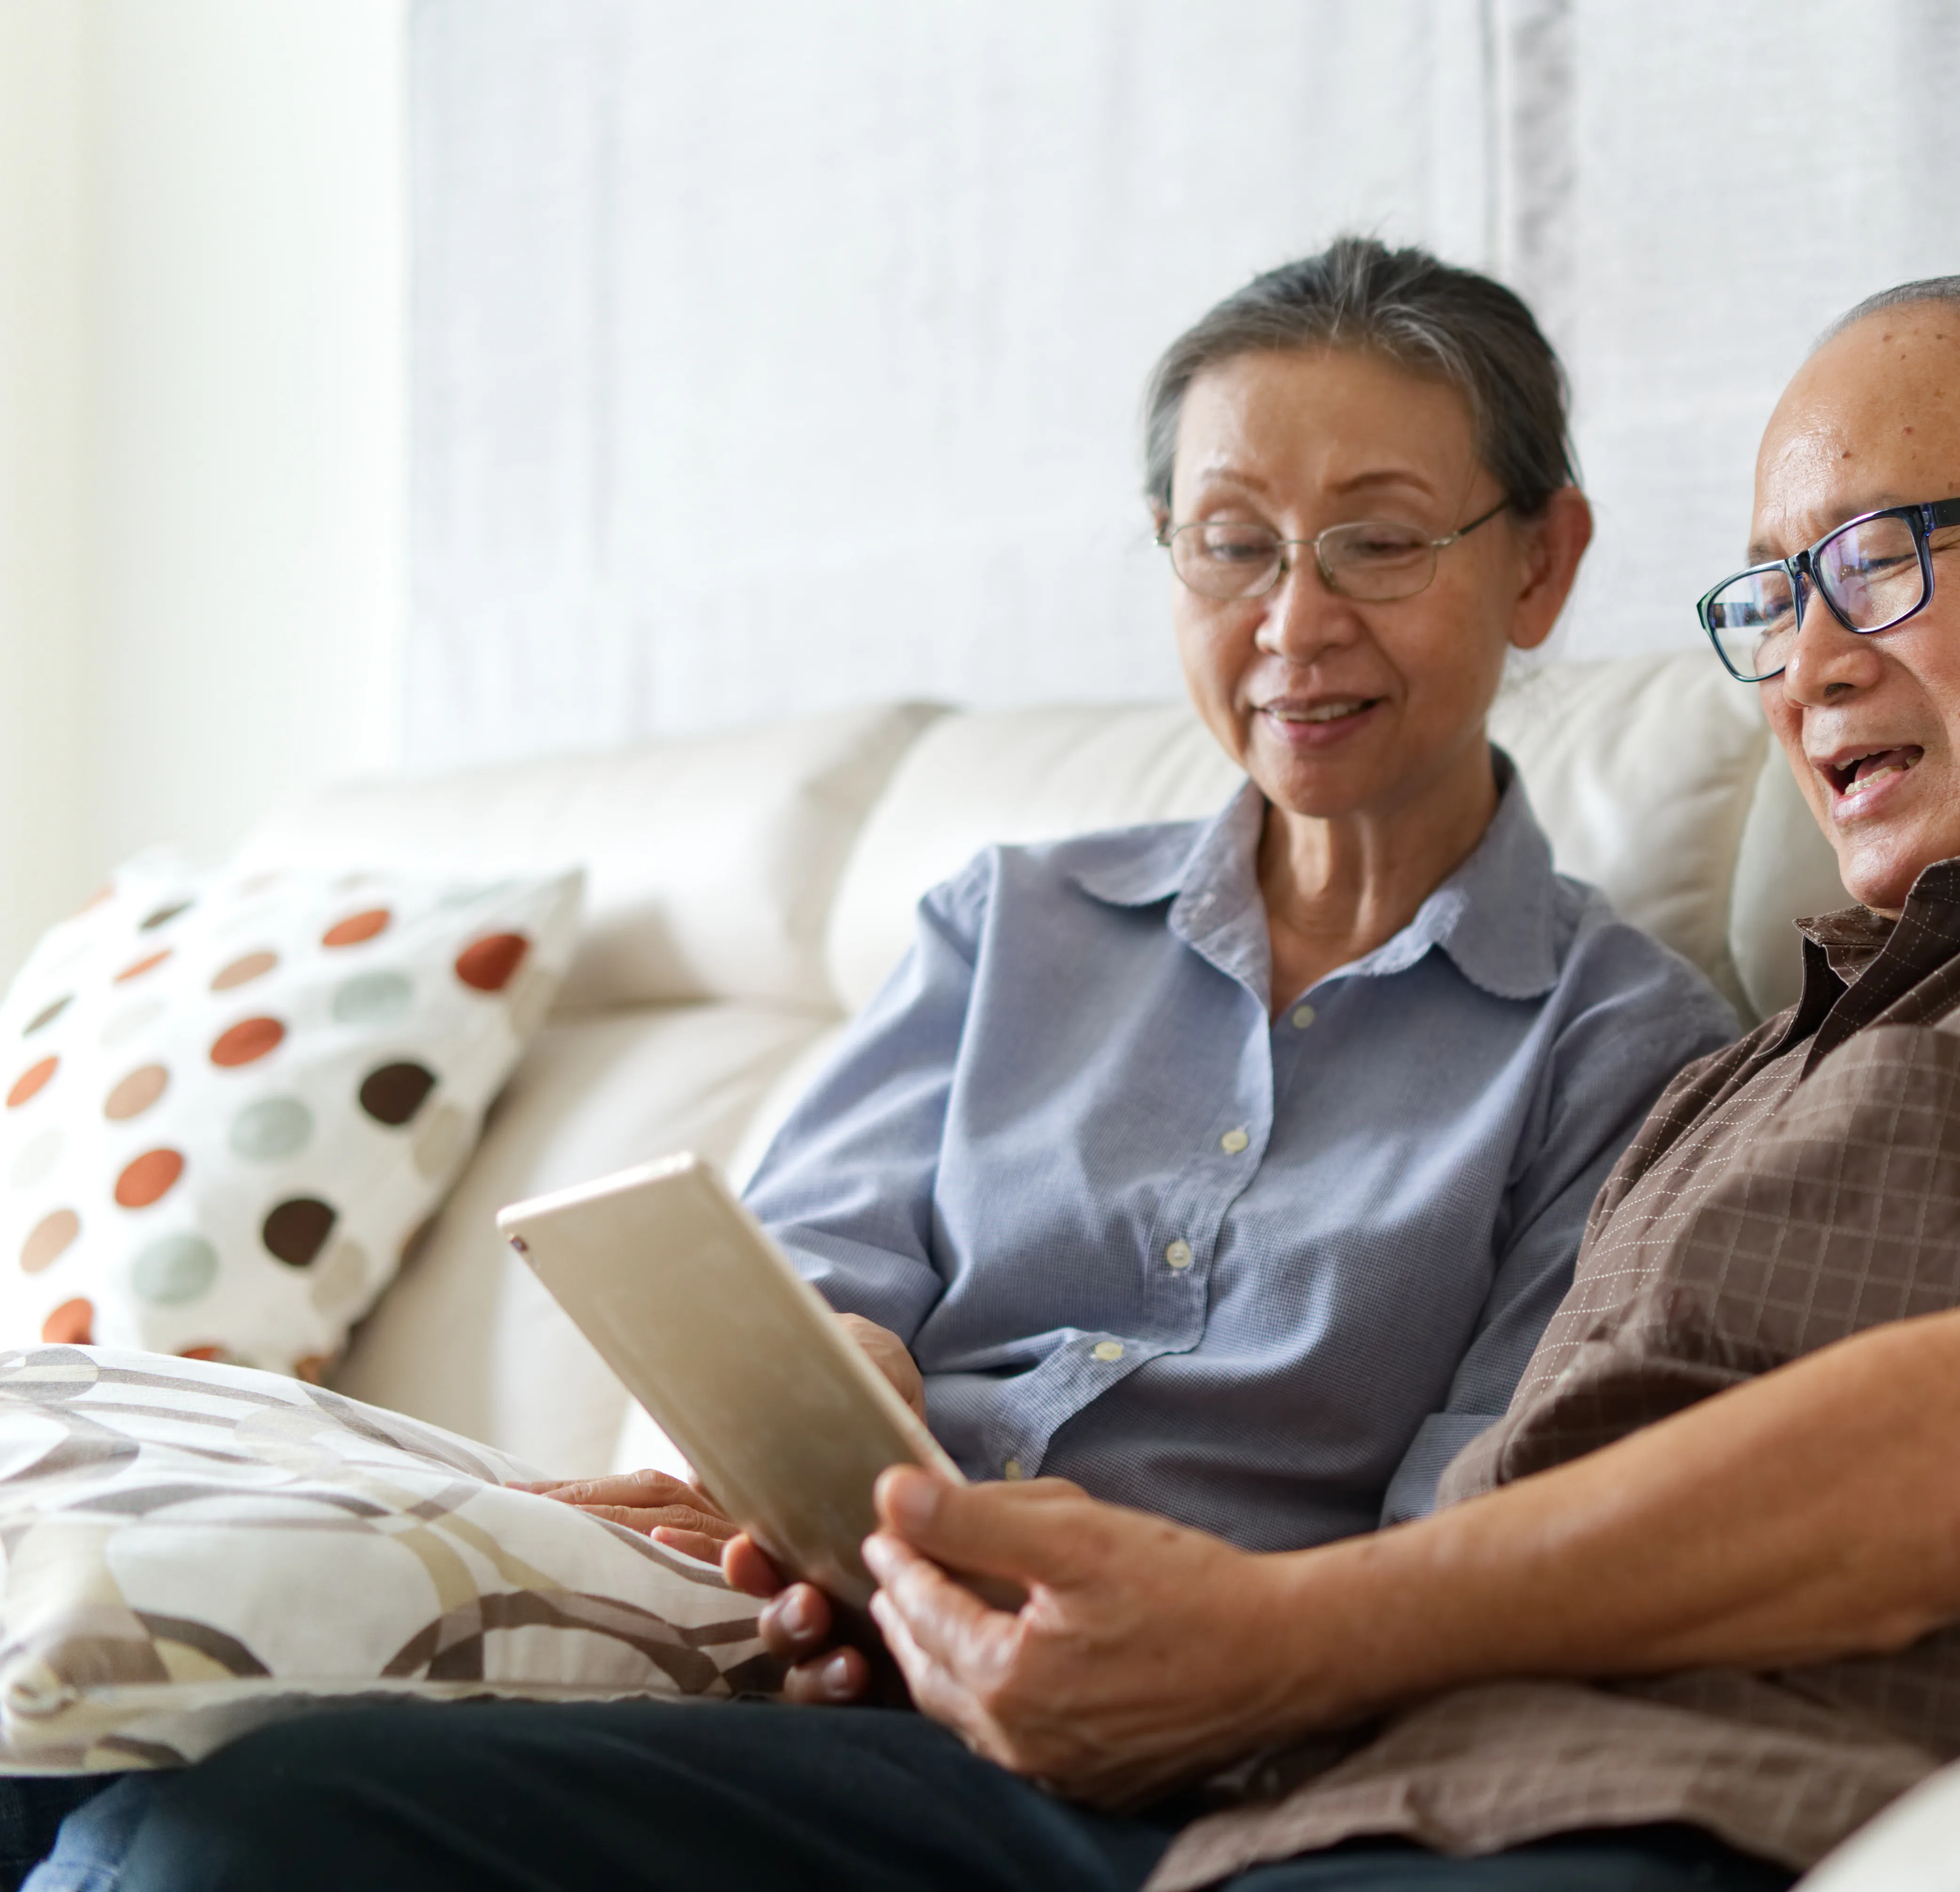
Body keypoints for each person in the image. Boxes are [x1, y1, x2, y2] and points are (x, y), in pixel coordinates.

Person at [48, 273, 1960, 1892]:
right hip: (1252, 1795)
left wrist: (1269, 1635)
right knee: (220, 1823)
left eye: (1883, 556)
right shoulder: (1787, 1047)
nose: (1807, 656)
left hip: (1612, 1813)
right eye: (1772, 594)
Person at [10, 238, 1735, 1885]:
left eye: (1374, 543)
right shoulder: (1013, 925)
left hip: (1163, 1757)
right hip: (807, 1654)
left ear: (1542, 561)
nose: (1293, 622)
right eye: (1230, 544)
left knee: (229, 1835)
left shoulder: (1626, 1046)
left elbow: (1472, 1534)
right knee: (74, 1759)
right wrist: (815, 1392)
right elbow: (798, 1271)